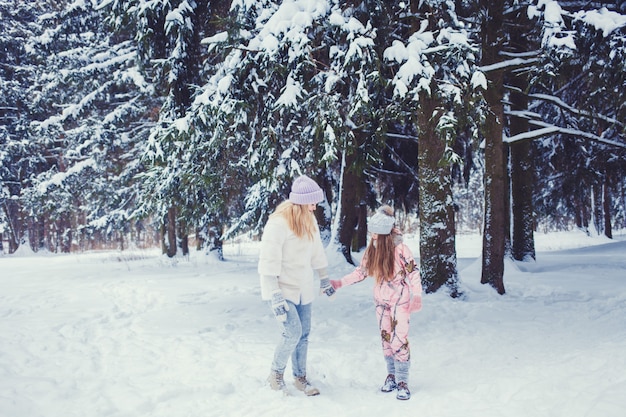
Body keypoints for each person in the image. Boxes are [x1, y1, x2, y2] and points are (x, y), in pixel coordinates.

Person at [330, 205, 422, 400]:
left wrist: (418, 296)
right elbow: (360, 273)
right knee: (386, 339)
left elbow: (413, 272)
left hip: (401, 301)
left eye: (374, 233)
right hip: (381, 302)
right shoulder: (372, 251)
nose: (371, 236)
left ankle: (403, 380)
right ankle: (391, 375)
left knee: (399, 340)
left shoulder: (401, 250)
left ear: (384, 234)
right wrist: (340, 283)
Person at [258, 175, 335, 396]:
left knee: (304, 333)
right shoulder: (278, 223)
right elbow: (268, 262)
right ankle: (275, 374)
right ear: (301, 201)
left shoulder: (309, 220)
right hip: (281, 289)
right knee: (292, 331)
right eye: (312, 202)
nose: (315, 206)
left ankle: (300, 377)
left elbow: (317, 251)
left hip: (303, 287)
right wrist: (275, 295)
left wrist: (324, 277)